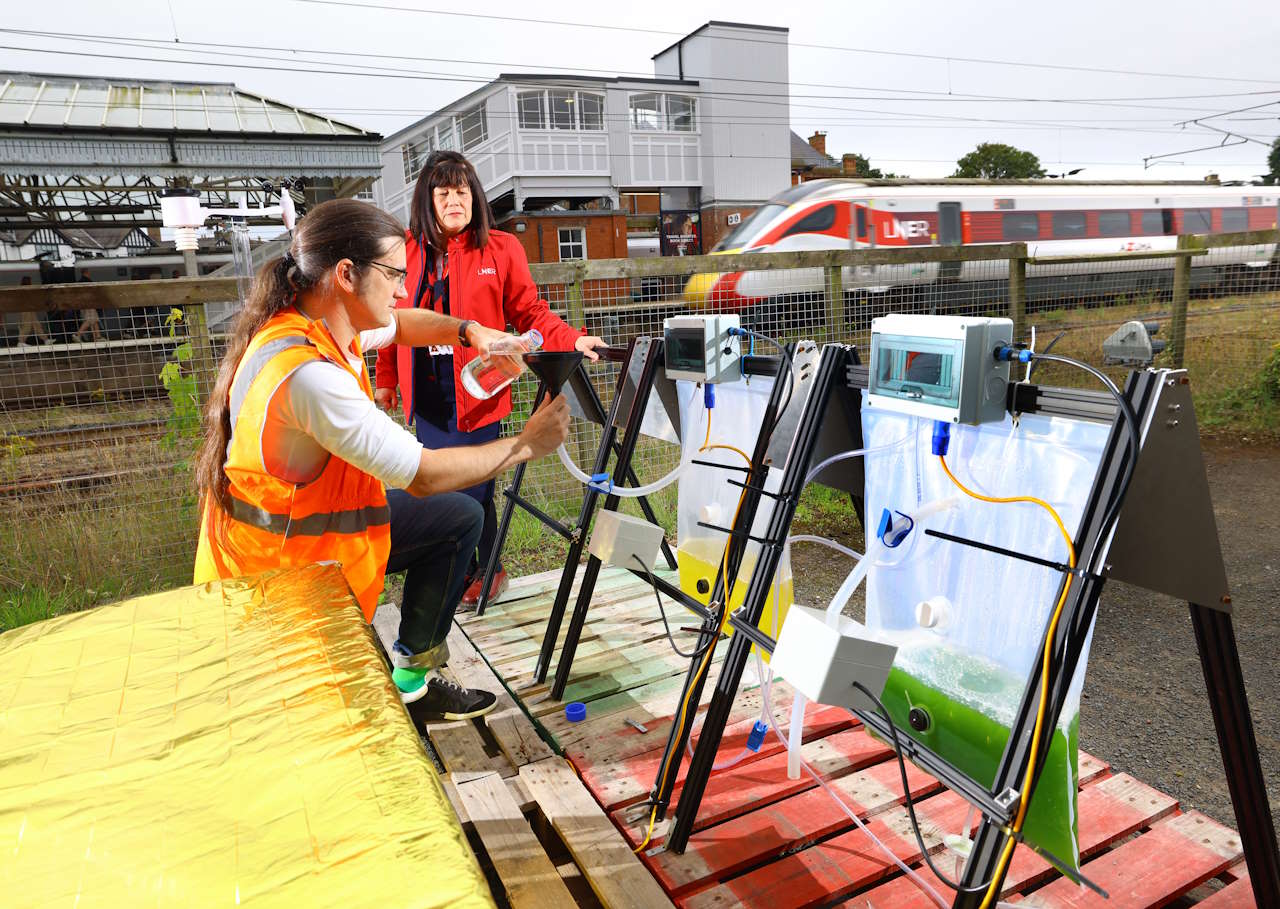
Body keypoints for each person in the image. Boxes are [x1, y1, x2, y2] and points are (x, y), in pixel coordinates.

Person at [192, 198, 571, 717]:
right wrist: (526, 444)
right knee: (337, 731)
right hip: (282, 580)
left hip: (305, 540)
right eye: (393, 274)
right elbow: (425, 475)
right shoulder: (310, 377)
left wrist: (470, 332)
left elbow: (405, 324)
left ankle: (412, 682)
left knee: (460, 519)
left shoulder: (318, 320)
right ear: (346, 274)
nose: (401, 289)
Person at [374, 151, 607, 606]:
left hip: (479, 388)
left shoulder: (501, 248)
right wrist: (387, 378)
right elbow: (390, 319)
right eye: (443, 193)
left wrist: (572, 339)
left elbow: (531, 312)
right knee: (442, 484)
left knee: (476, 484)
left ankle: (482, 569)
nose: (454, 201)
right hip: (427, 392)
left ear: (475, 198)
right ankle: (473, 567)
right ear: (428, 199)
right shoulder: (407, 249)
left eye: (462, 192)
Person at [15, 276, 54, 345]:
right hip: (25, 309)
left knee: (36, 325)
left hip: (30, 309)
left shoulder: (25, 289)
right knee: (26, 325)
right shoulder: (23, 289)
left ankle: (45, 339)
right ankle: (21, 341)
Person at [72, 268, 103, 343]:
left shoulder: (79, 282)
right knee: (90, 319)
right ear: (87, 272)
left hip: (83, 304)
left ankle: (98, 337)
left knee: (94, 319)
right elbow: (93, 293)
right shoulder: (88, 281)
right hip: (89, 303)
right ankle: (77, 334)